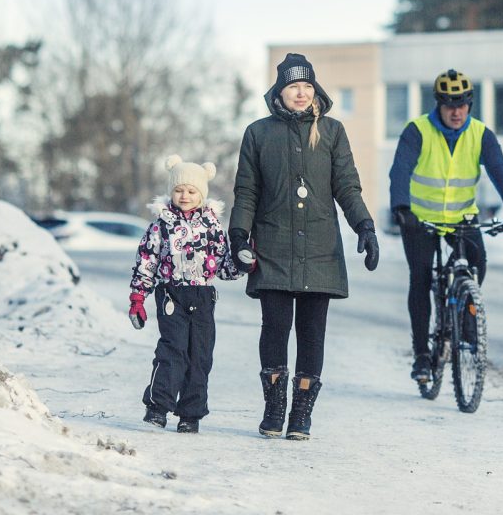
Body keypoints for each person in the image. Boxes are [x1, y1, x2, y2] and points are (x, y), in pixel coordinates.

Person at [229, 53, 380, 441]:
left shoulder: (331, 131)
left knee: (312, 333)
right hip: (274, 244)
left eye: (307, 86)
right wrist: (239, 234)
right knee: (275, 329)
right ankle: (274, 406)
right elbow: (247, 190)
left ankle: (301, 413)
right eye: (294, 86)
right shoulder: (258, 133)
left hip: (319, 247)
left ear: (315, 90)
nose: (301, 93)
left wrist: (364, 226)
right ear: (280, 90)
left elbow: (347, 185)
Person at [388, 68, 503, 384]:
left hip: (462, 217)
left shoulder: (480, 134)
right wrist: (401, 207)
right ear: (439, 104)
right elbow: (400, 171)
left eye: (462, 104)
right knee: (421, 277)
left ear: (470, 104)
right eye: (450, 104)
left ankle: (465, 319)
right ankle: (422, 355)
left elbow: (499, 171)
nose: (456, 111)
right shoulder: (418, 131)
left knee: (477, 261)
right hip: (420, 219)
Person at [129, 155, 243, 434]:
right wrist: (138, 298)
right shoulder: (161, 224)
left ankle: (190, 414)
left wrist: (243, 262)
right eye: (179, 190)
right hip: (172, 294)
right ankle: (157, 408)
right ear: (171, 191)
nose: (185, 195)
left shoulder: (213, 226)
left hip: (203, 296)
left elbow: (225, 268)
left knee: (200, 356)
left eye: (192, 191)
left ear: (201, 194)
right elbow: (147, 261)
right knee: (173, 350)